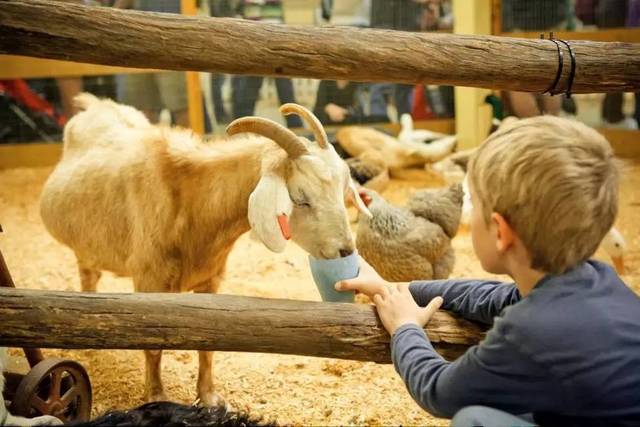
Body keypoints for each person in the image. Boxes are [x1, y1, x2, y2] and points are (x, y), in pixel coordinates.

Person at [337, 116, 640, 426]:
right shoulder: (597, 279)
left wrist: (404, 328)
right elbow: (492, 296)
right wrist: (394, 288)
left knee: (475, 420)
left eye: (476, 206)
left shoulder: (528, 331)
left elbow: (439, 391)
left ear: (499, 232)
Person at [114, 0, 190, 127]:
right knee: (141, 108)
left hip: (175, 34)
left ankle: (190, 145)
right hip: (135, 38)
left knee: (181, 104)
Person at [230, 0, 303, 128]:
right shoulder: (244, 3)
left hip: (277, 47)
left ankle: (297, 130)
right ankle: (239, 129)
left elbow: (280, 21)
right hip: (254, 50)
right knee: (247, 95)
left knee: (286, 93)